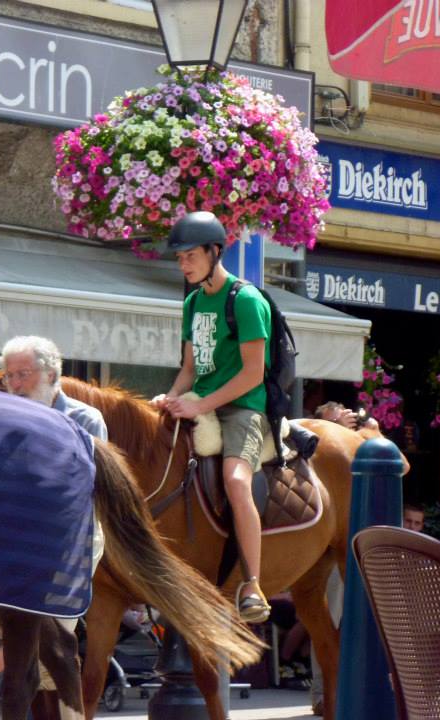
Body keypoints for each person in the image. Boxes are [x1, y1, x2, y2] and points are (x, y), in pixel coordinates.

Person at [0, 335, 107, 720]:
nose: (15, 385)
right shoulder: (5, 421)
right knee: (34, 644)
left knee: (51, 642)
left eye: (24, 374)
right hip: (21, 543)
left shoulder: (84, 419)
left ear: (53, 374)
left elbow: (89, 496)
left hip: (71, 542)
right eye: (9, 376)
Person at [150, 211, 272, 623]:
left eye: (189, 256)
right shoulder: (191, 301)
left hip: (242, 407)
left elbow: (253, 373)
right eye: (179, 257)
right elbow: (188, 369)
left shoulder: (247, 300)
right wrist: (170, 398)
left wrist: (200, 405)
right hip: (200, 400)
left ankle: (252, 584)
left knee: (237, 481)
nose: (183, 264)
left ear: (214, 251)